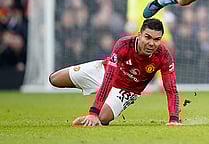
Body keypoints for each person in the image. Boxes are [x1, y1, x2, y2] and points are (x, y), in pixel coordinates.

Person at [48, 19, 181, 127]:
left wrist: (174, 119)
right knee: (54, 79)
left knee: (103, 118)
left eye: (156, 39)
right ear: (139, 35)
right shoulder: (124, 45)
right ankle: (97, 100)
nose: (151, 43)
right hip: (105, 72)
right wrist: (93, 112)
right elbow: (109, 78)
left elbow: (171, 89)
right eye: (147, 37)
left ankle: (98, 110)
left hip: (127, 90)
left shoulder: (163, 55)